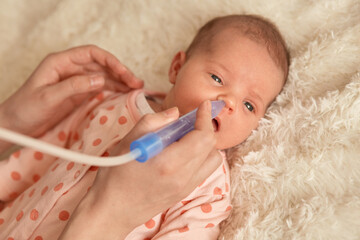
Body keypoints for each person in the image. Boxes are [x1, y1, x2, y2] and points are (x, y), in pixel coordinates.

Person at [0, 14, 289, 239]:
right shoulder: (115, 105)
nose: (228, 102)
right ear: (177, 68)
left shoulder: (208, 186)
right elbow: (43, 157)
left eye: (249, 105)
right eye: (217, 78)